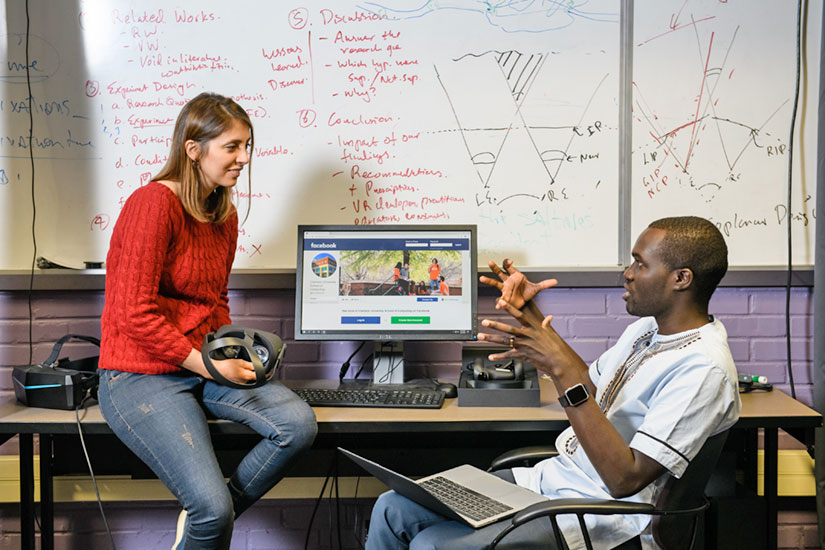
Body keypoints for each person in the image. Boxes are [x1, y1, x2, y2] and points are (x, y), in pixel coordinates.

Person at [365, 216, 740, 550]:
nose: (627, 273)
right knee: (392, 507)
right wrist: (530, 314)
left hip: (602, 515)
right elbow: (592, 390)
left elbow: (625, 480)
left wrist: (560, 373)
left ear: (681, 278)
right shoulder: (647, 330)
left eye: (640, 264)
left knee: (431, 543)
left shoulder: (703, 368)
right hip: (552, 482)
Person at [98, 92, 318, 550]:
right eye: (232, 147)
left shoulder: (224, 212)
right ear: (193, 149)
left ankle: (209, 519)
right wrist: (206, 364)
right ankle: (210, 517)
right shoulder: (153, 204)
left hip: (200, 365)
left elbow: (215, 301)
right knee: (210, 511)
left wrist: (233, 353)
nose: (244, 158)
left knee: (297, 426)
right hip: (139, 375)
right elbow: (131, 312)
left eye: (247, 145)